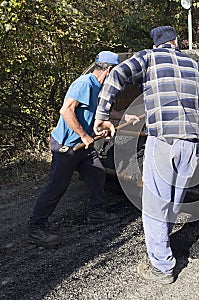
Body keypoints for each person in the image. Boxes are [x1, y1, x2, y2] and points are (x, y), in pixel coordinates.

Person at [94, 26, 199, 284]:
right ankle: (163, 246)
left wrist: (102, 116)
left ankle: (162, 267)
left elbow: (115, 77)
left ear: (156, 44)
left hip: (163, 141)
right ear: (176, 41)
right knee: (173, 202)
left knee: (154, 206)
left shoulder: (148, 57)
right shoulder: (194, 66)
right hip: (190, 143)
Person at [28, 51, 123, 248]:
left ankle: (96, 213)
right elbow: (66, 111)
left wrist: (120, 118)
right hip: (67, 146)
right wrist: (84, 135)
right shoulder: (84, 83)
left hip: (84, 147)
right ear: (109, 70)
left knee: (97, 173)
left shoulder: (99, 87)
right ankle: (36, 227)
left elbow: (99, 112)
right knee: (57, 186)